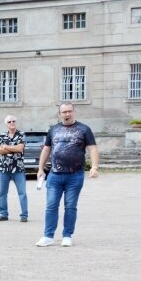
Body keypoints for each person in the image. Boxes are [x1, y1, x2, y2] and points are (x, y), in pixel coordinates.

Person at [36, 103, 99, 247]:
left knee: (70, 206)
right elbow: (46, 150)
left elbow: (93, 149)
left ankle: (67, 236)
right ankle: (48, 236)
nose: (67, 114)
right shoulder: (53, 129)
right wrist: (40, 168)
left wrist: (94, 167)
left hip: (74, 175)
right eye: (64, 112)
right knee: (51, 206)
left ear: (74, 112)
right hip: (55, 175)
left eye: (69, 111)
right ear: (59, 114)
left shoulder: (84, 129)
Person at [0, 115, 28, 222]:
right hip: (4, 169)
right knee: (2, 193)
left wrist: (6, 147)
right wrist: (13, 148)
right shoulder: (2, 135)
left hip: (18, 168)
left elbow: (20, 148)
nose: (12, 123)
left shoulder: (21, 134)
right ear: (6, 124)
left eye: (13, 121)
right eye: (9, 122)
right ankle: (3, 214)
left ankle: (24, 215)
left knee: (22, 192)